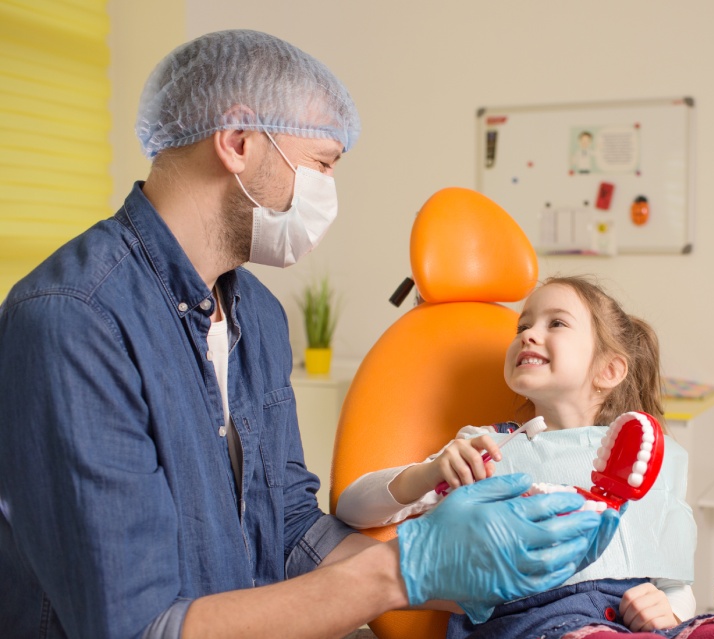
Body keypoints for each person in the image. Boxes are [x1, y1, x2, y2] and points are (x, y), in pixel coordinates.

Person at [0, 30, 620, 639]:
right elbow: (137, 627)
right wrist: (405, 568)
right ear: (238, 141)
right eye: (322, 164)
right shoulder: (73, 319)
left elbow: (292, 525)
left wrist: (463, 578)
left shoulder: (259, 318)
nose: (328, 192)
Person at [338, 275, 714, 638]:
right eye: (522, 327)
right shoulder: (487, 448)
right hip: (531, 622)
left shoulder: (641, 454)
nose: (529, 335)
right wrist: (429, 473)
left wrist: (670, 611)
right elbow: (351, 508)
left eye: (556, 323)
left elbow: (676, 582)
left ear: (609, 369)